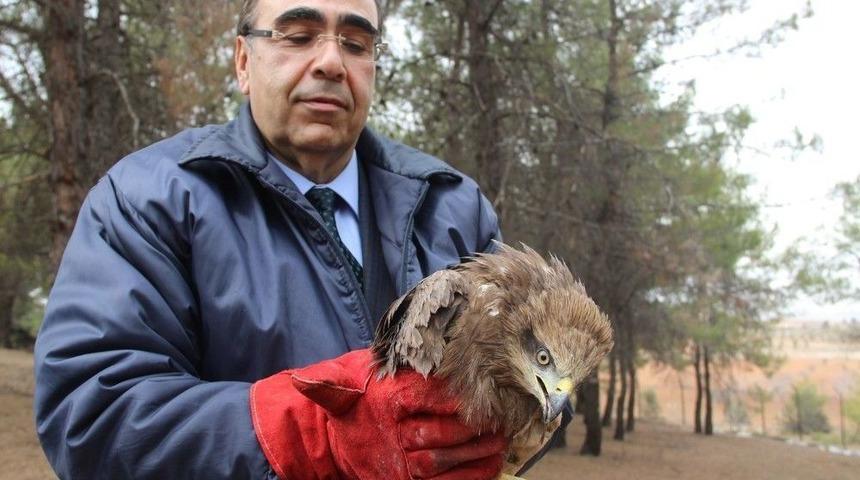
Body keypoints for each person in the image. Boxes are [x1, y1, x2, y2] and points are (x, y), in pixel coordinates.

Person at [33, 0, 509, 478]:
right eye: (298, 36)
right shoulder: (146, 199)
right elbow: (92, 416)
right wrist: (310, 437)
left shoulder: (452, 207)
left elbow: (543, 373)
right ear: (244, 61)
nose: (330, 62)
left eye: (356, 43)